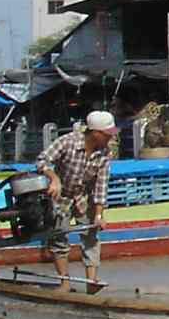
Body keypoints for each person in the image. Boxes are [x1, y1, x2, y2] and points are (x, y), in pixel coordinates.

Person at [40, 109, 118, 286]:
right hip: (60, 196)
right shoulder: (67, 142)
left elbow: (101, 186)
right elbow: (42, 161)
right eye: (107, 134)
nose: (110, 138)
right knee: (59, 237)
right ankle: (65, 283)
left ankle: (91, 282)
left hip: (83, 197)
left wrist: (99, 215)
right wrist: (54, 178)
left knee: (91, 235)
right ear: (96, 133)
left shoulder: (105, 153)